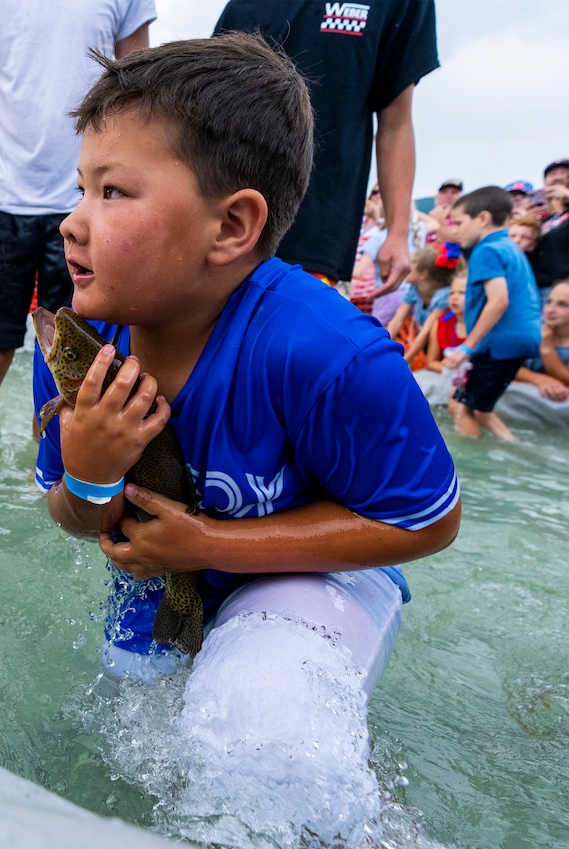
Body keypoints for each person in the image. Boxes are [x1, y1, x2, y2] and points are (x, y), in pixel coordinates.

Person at [33, 34, 461, 680]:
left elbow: (428, 519)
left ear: (231, 227)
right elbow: (81, 519)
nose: (72, 221)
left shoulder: (327, 352)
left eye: (113, 192)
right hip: (169, 576)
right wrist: (91, 473)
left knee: (258, 722)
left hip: (318, 574)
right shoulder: (80, 344)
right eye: (81, 188)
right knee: (130, 697)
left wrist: (212, 543)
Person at [0, 0, 156, 475]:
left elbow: (138, 97)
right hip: (0, 205)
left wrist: (128, 199)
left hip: (87, 200)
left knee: (77, 374)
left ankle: (52, 479)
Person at [212, 0, 439, 293]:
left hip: (316, 235)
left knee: (296, 335)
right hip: (220, 219)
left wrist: (397, 232)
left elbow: (395, 121)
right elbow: (212, 97)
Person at [444, 186, 541, 440]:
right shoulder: (509, 246)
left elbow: (499, 301)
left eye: (459, 222)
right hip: (521, 337)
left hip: (500, 342)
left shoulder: (486, 249)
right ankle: (516, 449)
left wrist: (467, 348)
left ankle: (471, 469)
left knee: (461, 405)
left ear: (483, 218)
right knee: (480, 407)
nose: (455, 230)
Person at [386, 243, 462, 368]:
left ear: (423, 274)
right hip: (419, 339)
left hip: (439, 346)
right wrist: (381, 345)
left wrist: (405, 361)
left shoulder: (443, 295)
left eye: (412, 263)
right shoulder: (414, 288)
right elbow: (397, 321)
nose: (406, 266)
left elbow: (426, 331)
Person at [514, 280, 569, 402]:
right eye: (549, 302)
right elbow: (506, 366)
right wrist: (539, 379)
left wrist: (547, 350)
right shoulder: (532, 330)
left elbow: (566, 381)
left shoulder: (544, 339)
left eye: (562, 304)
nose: (550, 309)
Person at [527, 158, 569, 306]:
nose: (558, 177)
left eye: (564, 173)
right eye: (552, 174)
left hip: (563, 291)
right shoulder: (540, 218)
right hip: (534, 292)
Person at [426, 266, 468, 373]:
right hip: (447, 377)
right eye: (452, 293)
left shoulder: (483, 326)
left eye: (462, 293)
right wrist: (455, 373)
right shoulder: (440, 323)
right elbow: (431, 362)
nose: (454, 297)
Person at [424, 178, 464, 244]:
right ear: (436, 197)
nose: (448, 195)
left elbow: (459, 240)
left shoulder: (465, 220)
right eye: (444, 192)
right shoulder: (424, 220)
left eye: (454, 192)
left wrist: (440, 220)